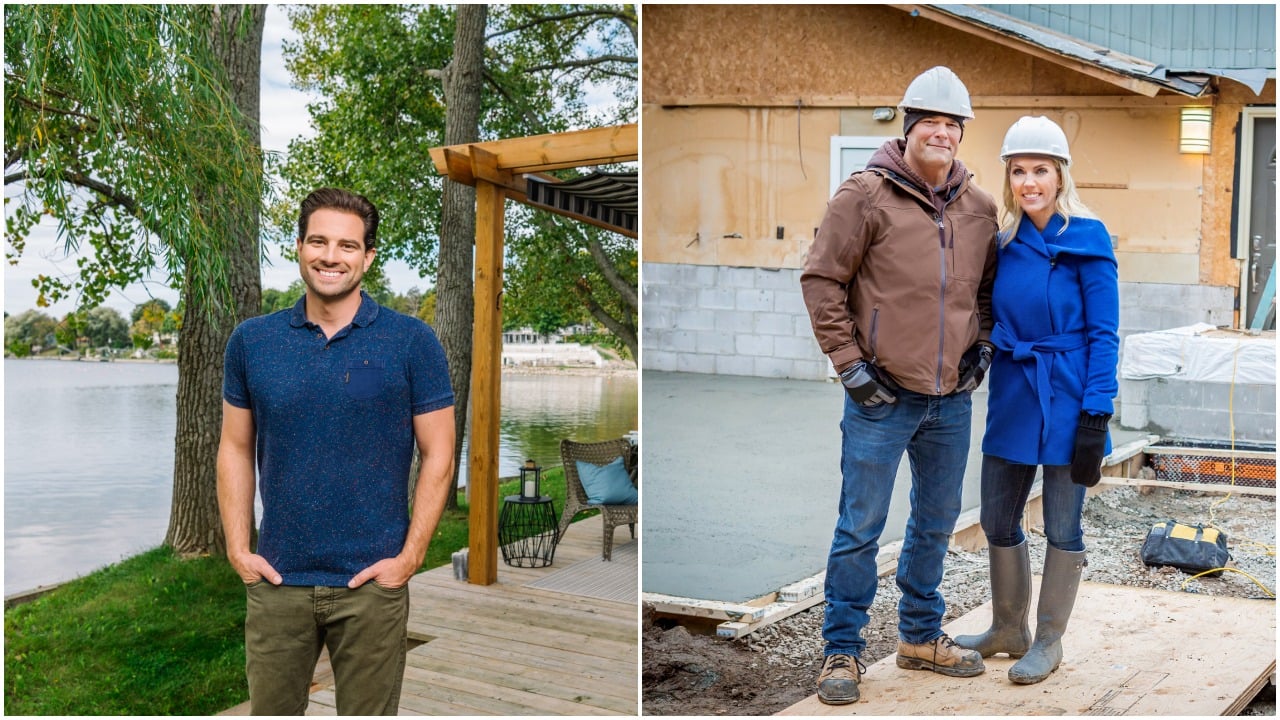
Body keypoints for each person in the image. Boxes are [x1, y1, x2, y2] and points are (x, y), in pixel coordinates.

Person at [800, 66, 999, 705]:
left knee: (936, 523)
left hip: (951, 401)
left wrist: (984, 348)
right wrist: (851, 367)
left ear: (961, 134)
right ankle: (843, 649)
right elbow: (822, 280)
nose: (941, 133)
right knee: (860, 525)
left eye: (952, 124)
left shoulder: (979, 207)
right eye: (930, 123)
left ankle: (918, 637)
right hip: (881, 395)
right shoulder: (864, 195)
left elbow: (987, 292)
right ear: (909, 128)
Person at [217, 187, 456, 715]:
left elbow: (439, 453)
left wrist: (410, 558)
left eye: (348, 245)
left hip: (372, 584)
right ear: (299, 247)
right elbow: (234, 447)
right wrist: (238, 547)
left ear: (368, 257)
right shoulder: (252, 342)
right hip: (278, 579)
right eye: (318, 241)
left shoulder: (411, 341)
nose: (331, 256)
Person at [953, 116, 1119, 684]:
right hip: (1016, 392)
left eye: (1040, 170)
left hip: (1071, 397)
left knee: (1063, 526)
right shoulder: (1006, 241)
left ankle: (1048, 641)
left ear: (1059, 175)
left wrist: (1097, 412)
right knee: (998, 515)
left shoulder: (1089, 240)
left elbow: (1105, 334)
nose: (1029, 182)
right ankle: (1008, 627)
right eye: (1018, 170)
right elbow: (988, 310)